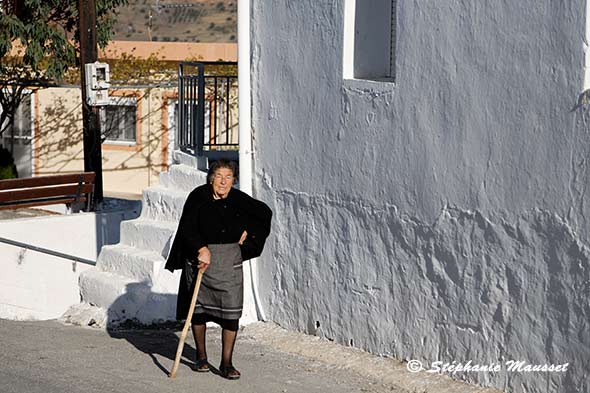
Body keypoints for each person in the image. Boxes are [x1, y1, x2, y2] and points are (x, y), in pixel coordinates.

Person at [165, 159, 272, 380]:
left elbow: (264, 214)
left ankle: (226, 363)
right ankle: (201, 358)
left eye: (228, 177)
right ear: (211, 178)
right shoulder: (198, 197)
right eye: (219, 176)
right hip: (201, 260)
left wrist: (248, 234)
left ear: (233, 180)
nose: (223, 182)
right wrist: (200, 248)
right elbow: (187, 227)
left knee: (231, 315)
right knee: (199, 312)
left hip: (228, 262)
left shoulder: (238, 198)